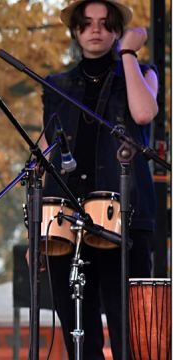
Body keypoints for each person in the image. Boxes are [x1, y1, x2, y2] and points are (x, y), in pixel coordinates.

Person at [40, 1, 158, 358]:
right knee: (79, 332)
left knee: (128, 332)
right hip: (68, 218)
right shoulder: (56, 85)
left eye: (107, 25)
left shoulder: (141, 72)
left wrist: (127, 55)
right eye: (87, 24)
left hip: (127, 216)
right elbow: (50, 155)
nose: (96, 30)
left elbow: (142, 112)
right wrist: (37, 230)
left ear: (118, 32)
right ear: (75, 31)